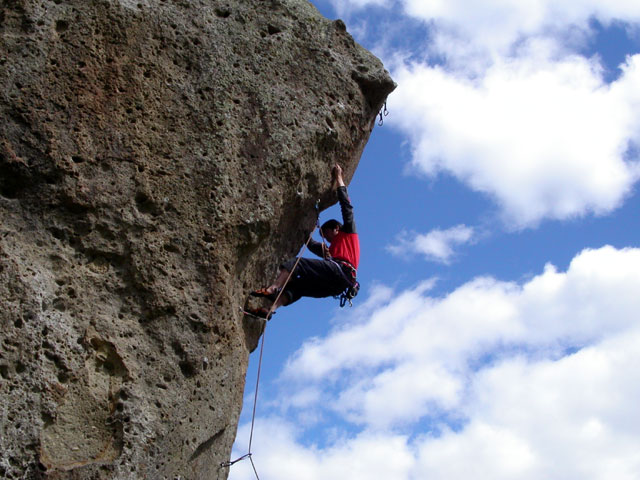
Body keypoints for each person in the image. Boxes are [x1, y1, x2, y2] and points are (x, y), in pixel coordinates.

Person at [248, 164, 359, 319]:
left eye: (326, 234)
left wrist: (339, 177)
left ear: (336, 228)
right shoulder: (334, 250)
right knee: (299, 287)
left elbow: (346, 206)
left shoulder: (348, 233)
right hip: (338, 285)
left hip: (340, 271)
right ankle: (269, 310)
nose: (326, 239)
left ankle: (273, 288)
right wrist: (305, 232)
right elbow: (313, 245)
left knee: (297, 264)